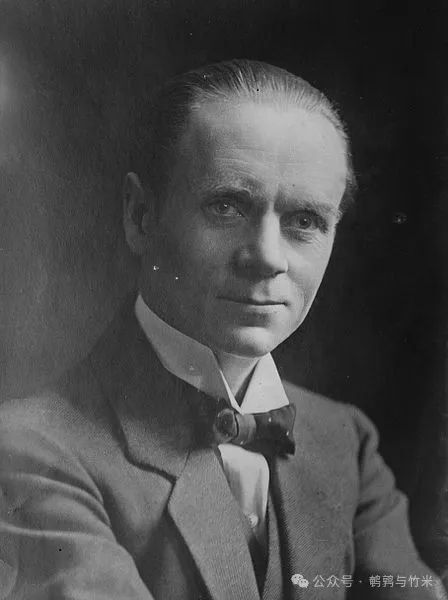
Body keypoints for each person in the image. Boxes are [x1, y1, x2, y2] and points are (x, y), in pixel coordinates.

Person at [0, 59, 445, 600]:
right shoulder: (28, 450)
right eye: (227, 206)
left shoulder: (345, 441)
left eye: (305, 221)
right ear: (140, 216)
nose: (268, 257)